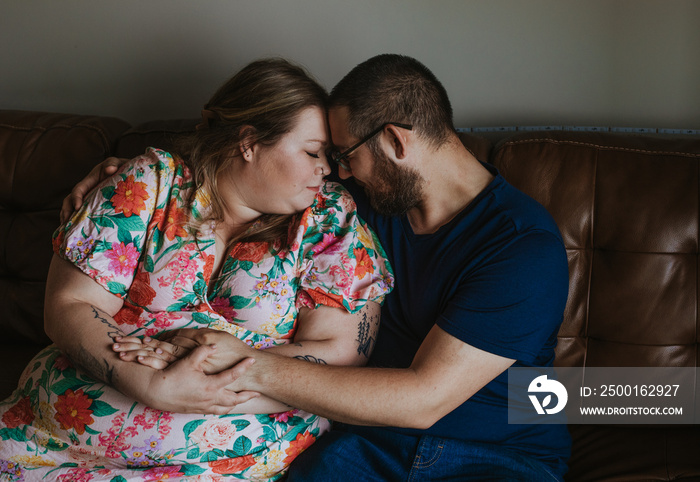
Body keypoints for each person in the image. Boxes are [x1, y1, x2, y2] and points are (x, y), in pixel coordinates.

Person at [62, 54, 571, 480]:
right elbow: (246, 163)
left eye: (344, 155)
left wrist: (246, 364)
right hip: (364, 443)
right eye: (327, 156)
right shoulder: (368, 200)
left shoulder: (522, 248)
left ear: (395, 143)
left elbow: (422, 399)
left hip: (493, 456)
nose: (333, 171)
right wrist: (119, 173)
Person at [0, 58, 394, 481]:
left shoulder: (328, 218)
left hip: (222, 459)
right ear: (249, 142)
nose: (327, 169)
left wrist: (201, 371)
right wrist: (150, 384)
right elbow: (70, 304)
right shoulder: (150, 183)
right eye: (313, 152)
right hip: (50, 438)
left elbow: (339, 355)